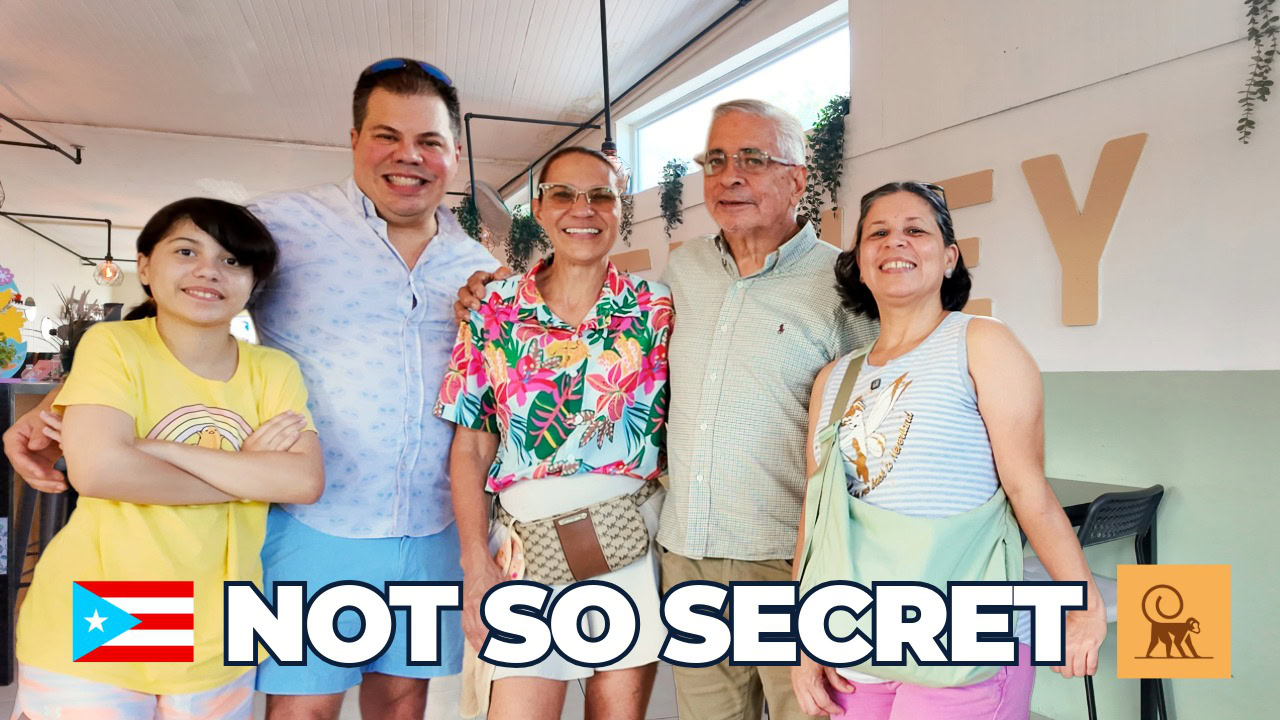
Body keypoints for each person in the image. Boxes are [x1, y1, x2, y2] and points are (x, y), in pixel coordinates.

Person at [4, 58, 499, 720]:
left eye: (430, 141)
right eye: (387, 135)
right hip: (312, 522)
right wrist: (55, 402)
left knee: (404, 700)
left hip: (434, 522)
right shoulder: (284, 225)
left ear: (455, 154)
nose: (408, 156)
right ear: (354, 140)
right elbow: (185, 298)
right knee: (305, 706)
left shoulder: (480, 262)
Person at [455, 99, 878, 719]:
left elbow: (887, 407)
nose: (731, 175)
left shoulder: (831, 283)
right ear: (538, 208)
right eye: (717, 159)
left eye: (754, 159)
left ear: (798, 179)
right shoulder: (680, 275)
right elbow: (473, 439)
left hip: (775, 558)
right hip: (666, 555)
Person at [790, 181, 1107, 719]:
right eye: (879, 234)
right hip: (856, 642)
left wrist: (1083, 604)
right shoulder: (834, 378)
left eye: (916, 231)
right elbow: (816, 520)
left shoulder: (981, 343)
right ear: (860, 264)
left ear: (949, 258)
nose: (897, 243)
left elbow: (1027, 488)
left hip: (961, 636)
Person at [12, 198, 324, 720]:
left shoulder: (273, 370)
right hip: (103, 613)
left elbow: (303, 480)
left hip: (220, 628)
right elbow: (99, 471)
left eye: (233, 261)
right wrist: (251, 475)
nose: (209, 271)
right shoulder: (113, 346)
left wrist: (153, 449)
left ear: (253, 283)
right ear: (145, 265)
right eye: (186, 250)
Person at [437, 146, 673, 720]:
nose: (582, 209)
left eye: (600, 196)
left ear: (620, 211)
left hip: (628, 547)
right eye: (564, 194)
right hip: (523, 554)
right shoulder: (493, 309)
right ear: (538, 209)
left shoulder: (656, 309)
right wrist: (476, 564)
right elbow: (470, 445)